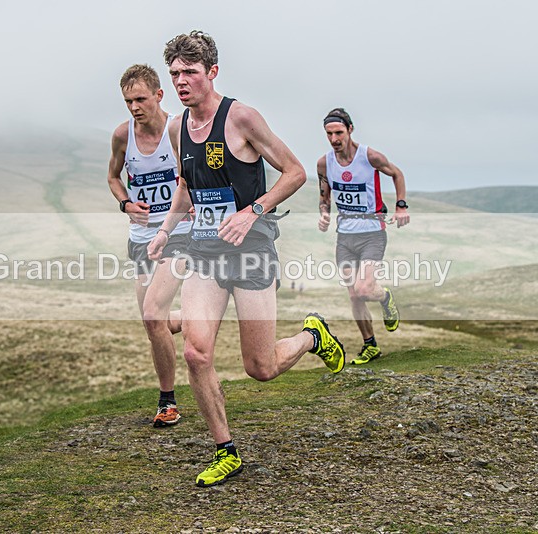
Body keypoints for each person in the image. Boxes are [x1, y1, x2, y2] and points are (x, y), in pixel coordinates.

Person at [147, 30, 346, 487]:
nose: (181, 82)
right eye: (174, 74)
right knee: (197, 352)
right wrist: (164, 230)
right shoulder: (177, 127)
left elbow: (294, 172)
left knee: (261, 368)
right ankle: (226, 449)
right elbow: (186, 187)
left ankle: (313, 337)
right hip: (205, 253)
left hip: (252, 248)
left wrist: (252, 210)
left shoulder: (241, 118)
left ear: (211, 72)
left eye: (190, 73)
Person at [107, 64, 192, 428]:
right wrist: (125, 203)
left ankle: (167, 401)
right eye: (128, 100)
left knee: (153, 314)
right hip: (140, 239)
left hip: (177, 235)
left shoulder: (178, 130)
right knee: (153, 322)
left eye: (140, 98)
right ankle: (199, 319)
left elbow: (193, 180)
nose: (134, 107)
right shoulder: (122, 136)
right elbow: (112, 176)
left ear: (159, 95)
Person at [316, 108, 410, 365]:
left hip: (372, 232)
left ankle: (385, 297)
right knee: (354, 295)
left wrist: (401, 206)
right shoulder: (325, 163)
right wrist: (323, 213)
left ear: (350, 130)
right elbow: (324, 197)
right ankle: (370, 345)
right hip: (344, 236)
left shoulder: (370, 157)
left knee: (365, 288)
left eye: (338, 132)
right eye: (329, 134)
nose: (334, 139)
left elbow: (397, 174)